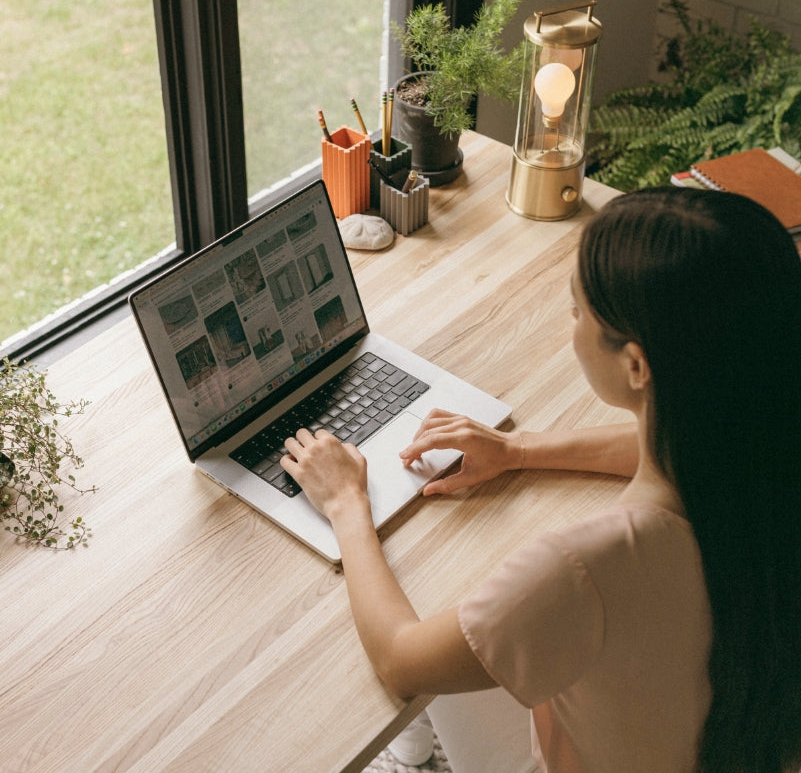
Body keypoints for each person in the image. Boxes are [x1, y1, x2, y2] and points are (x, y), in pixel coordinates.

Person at [280, 187, 801, 773]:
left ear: (635, 365)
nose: (571, 326)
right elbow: (694, 443)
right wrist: (517, 449)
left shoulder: (588, 566)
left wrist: (348, 504)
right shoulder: (766, 442)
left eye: (578, 311)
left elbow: (402, 662)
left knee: (449, 628)